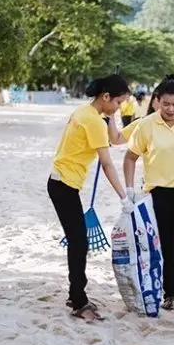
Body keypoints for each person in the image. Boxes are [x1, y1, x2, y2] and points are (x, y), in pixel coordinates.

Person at [48, 74, 135, 321]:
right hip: (64, 184)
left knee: (79, 241)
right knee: (79, 243)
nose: (118, 108)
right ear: (105, 97)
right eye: (117, 102)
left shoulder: (84, 112)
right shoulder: (94, 121)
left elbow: (113, 140)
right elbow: (107, 164)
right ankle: (78, 301)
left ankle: (76, 294)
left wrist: (112, 117)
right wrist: (123, 197)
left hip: (61, 182)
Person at [123, 75, 174, 316]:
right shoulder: (146, 125)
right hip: (156, 194)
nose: (171, 109)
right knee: (163, 246)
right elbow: (130, 158)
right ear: (157, 101)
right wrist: (129, 191)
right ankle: (169, 294)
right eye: (166, 104)